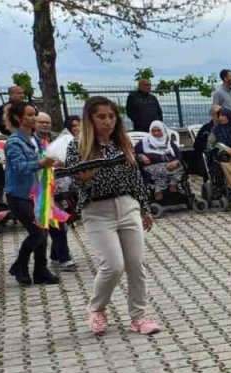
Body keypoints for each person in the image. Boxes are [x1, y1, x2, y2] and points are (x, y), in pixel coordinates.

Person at [59, 96, 160, 335]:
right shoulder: (78, 146)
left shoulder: (122, 144)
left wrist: (144, 208)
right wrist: (91, 167)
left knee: (136, 264)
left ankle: (138, 316)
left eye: (111, 116)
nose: (107, 122)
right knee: (113, 266)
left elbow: (135, 178)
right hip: (97, 210)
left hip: (127, 205)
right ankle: (97, 308)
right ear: (90, 119)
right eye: (101, 117)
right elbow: (77, 180)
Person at [3, 102, 62, 286]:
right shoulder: (14, 142)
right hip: (19, 195)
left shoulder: (34, 140)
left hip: (36, 193)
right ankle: (19, 266)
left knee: (43, 230)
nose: (34, 118)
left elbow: (41, 163)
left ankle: (40, 270)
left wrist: (50, 173)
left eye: (34, 114)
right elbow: (20, 168)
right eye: (29, 115)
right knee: (37, 232)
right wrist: (41, 163)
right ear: (18, 118)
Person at [32, 111, 76, 272]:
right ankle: (63, 258)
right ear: (34, 124)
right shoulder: (32, 142)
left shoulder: (55, 139)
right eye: (41, 122)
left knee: (60, 222)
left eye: (47, 122)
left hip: (59, 185)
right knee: (56, 223)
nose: (45, 125)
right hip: (40, 189)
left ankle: (56, 256)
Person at [135, 121, 186, 203]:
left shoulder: (168, 142)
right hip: (152, 167)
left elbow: (179, 155)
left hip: (170, 165)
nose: (156, 133)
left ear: (163, 130)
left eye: (158, 131)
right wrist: (141, 156)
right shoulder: (144, 142)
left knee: (181, 166)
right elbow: (134, 153)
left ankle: (164, 187)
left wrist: (176, 162)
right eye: (153, 131)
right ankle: (162, 187)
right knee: (173, 170)